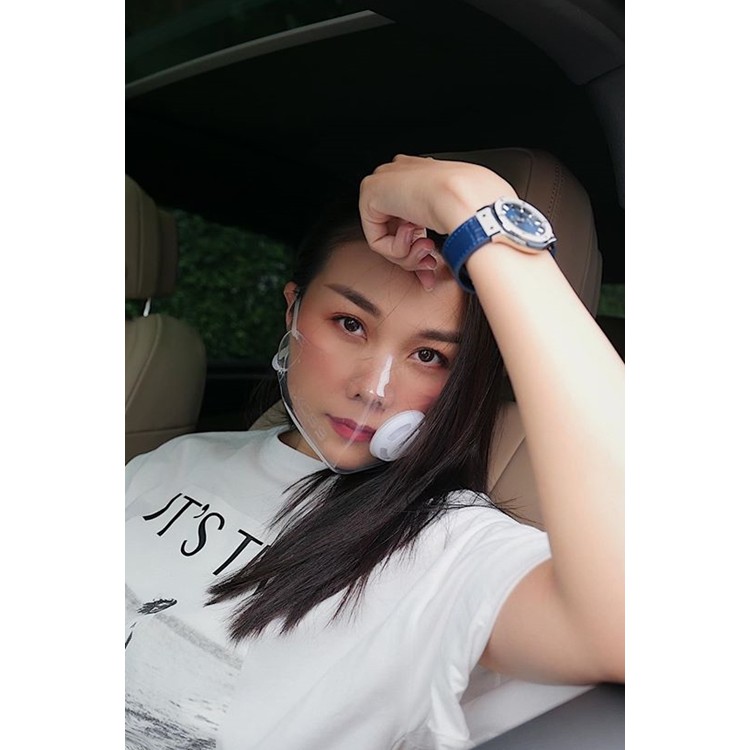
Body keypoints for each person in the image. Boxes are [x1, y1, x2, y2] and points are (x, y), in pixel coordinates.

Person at [125, 155, 624, 749]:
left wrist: (479, 210)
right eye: (349, 323)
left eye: (430, 356)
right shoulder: (178, 459)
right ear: (293, 309)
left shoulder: (451, 548)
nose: (374, 389)